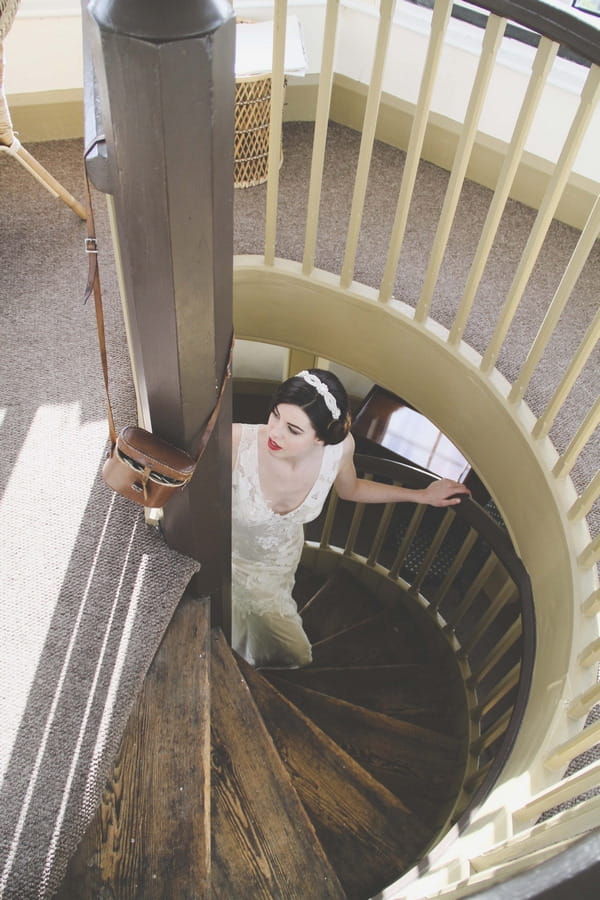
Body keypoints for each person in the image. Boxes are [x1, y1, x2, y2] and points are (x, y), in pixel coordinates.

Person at [231, 368, 470, 668]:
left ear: (321, 438)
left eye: (293, 429)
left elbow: (352, 489)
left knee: (285, 638)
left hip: (279, 559)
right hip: (229, 552)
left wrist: (421, 495)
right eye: (275, 415)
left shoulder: (339, 450)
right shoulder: (237, 441)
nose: (274, 432)